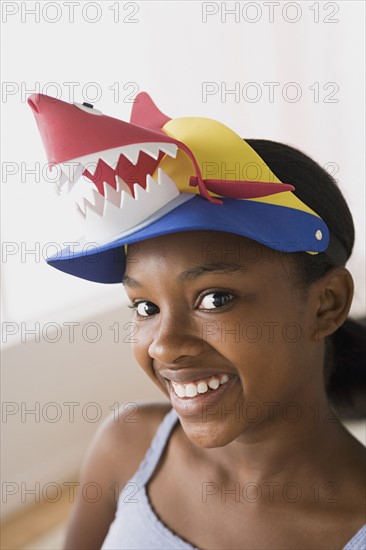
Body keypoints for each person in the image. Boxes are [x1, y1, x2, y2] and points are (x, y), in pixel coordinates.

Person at [28, 92, 365, 550]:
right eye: (145, 307)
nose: (164, 346)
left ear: (326, 304)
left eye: (215, 298)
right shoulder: (127, 446)